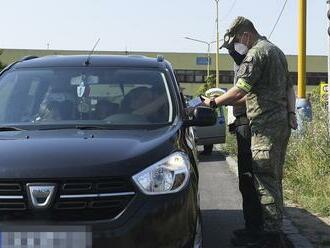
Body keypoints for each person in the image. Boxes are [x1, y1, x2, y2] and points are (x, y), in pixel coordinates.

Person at [202, 16, 297, 247]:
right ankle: (265, 233)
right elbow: (287, 88)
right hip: (278, 125)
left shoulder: (256, 54)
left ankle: (271, 237)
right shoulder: (276, 52)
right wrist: (292, 114)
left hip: (264, 127)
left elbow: (240, 90)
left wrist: (214, 102)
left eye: (236, 41)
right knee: (271, 180)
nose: (236, 46)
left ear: (245, 35)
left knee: (264, 182)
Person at [228, 45, 263, 246]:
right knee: (245, 179)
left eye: (233, 47)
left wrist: (216, 101)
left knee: (250, 178)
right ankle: (251, 227)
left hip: (250, 123)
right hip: (243, 122)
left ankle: (256, 231)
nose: (232, 52)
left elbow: (242, 93)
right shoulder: (240, 63)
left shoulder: (252, 62)